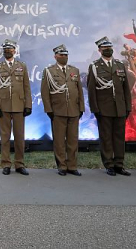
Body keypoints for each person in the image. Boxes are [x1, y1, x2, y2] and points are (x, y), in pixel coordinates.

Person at [87, 36, 132, 176]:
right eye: (105, 48)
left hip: (120, 107)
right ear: (100, 50)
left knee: (119, 136)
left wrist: (128, 107)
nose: (108, 50)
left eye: (110, 47)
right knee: (106, 137)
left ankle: (119, 164)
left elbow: (126, 88)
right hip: (104, 108)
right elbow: (91, 90)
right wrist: (95, 109)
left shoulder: (119, 65)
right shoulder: (94, 66)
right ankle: (109, 164)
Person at [40, 44, 83, 176]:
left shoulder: (74, 70)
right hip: (57, 110)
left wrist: (81, 107)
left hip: (73, 110)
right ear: (55, 56)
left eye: (66, 55)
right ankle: (62, 166)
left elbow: (79, 90)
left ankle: (72, 166)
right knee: (59, 141)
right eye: (61, 55)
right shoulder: (49, 71)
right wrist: (49, 109)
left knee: (73, 140)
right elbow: (45, 92)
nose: (64, 57)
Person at [0, 38, 31, 176]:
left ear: (15, 50)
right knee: (5, 137)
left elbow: (26, 87)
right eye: (5, 49)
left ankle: (20, 164)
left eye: (10, 49)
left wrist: (28, 105)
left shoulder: (22, 66)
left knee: (20, 137)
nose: (7, 51)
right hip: (4, 106)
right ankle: (6, 163)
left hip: (19, 106)